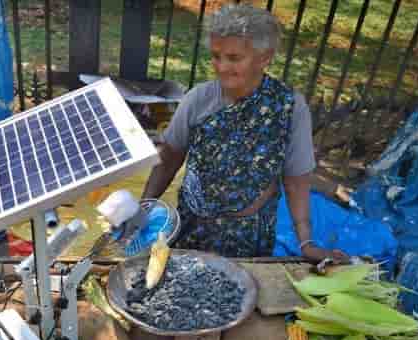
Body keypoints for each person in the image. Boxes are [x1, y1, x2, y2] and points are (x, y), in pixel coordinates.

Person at [141, 4, 348, 263]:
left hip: (248, 237)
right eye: (216, 56)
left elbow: (296, 180)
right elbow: (170, 157)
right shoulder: (199, 99)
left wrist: (306, 243)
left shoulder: (288, 108)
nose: (222, 67)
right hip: (192, 227)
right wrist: (144, 207)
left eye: (234, 58)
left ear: (264, 57)